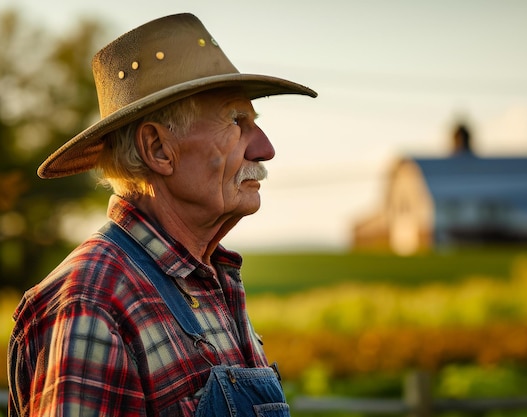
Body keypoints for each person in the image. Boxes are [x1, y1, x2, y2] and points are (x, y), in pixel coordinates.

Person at [8, 13, 316, 417]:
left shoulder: (208, 282)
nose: (264, 148)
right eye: (237, 122)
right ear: (157, 149)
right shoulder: (94, 302)